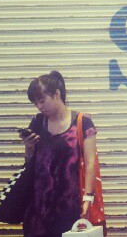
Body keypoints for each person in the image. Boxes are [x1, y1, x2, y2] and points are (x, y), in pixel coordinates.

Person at [21, 71, 97, 236]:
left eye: (42, 101)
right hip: (38, 209)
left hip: (70, 206)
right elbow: (29, 163)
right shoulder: (37, 122)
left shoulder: (82, 122)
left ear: (57, 94)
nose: (39, 106)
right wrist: (29, 147)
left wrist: (88, 198)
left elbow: (91, 163)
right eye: (35, 103)